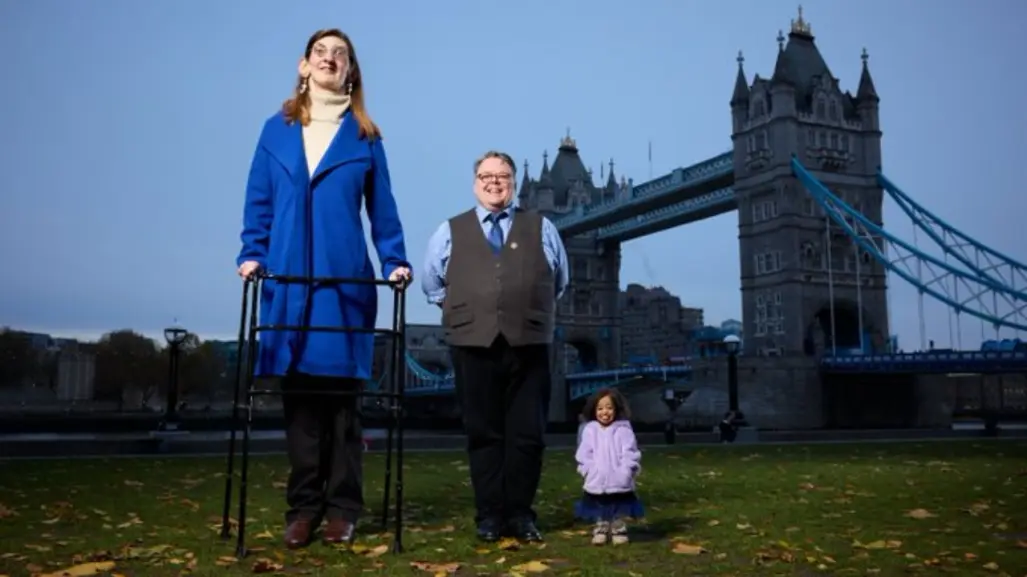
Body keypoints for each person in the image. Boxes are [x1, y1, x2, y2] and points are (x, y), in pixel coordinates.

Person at [236, 28, 411, 550]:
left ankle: (342, 509)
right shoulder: (276, 131)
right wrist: (252, 252)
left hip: (343, 284)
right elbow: (258, 200)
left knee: (342, 408)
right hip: (289, 283)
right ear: (304, 65)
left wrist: (395, 259)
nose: (330, 59)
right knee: (301, 408)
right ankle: (303, 508)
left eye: (341, 54)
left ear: (351, 70)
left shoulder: (366, 137)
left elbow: (383, 210)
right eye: (321, 53)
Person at [421, 150, 569, 543]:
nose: (494, 182)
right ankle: (489, 516)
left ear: (514, 182)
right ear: (475, 183)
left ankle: (521, 515)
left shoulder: (542, 228)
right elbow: (432, 285)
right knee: (483, 433)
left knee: (528, 435)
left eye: (502, 175)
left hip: (530, 344)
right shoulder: (448, 231)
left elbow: (559, 281)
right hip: (472, 345)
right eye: (486, 175)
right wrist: (475, 306)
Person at [574, 388, 644, 546]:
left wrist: (626, 471)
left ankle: (618, 529)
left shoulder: (624, 430)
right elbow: (584, 454)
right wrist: (588, 470)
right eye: (600, 408)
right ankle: (601, 529)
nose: (604, 412)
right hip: (596, 478)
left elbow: (631, 452)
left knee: (618, 507)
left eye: (609, 408)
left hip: (619, 478)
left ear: (616, 409)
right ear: (594, 410)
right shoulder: (590, 430)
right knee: (600, 507)